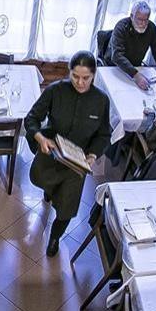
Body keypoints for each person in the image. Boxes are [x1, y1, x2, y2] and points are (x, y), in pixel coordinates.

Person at [26, 51, 112, 257]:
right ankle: (49, 191)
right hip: (53, 150)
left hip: (77, 161)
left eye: (86, 78)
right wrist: (40, 139)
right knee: (39, 179)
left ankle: (55, 237)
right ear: (69, 72)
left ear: (94, 76)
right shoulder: (55, 91)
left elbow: (104, 134)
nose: (80, 83)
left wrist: (92, 155)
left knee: (67, 207)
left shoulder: (101, 101)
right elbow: (31, 119)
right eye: (75, 76)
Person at [103, 1, 156, 91]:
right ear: (131, 16)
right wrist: (136, 75)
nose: (142, 23)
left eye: (145, 20)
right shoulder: (121, 27)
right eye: (139, 19)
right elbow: (117, 56)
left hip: (136, 67)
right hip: (114, 67)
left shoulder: (151, 28)